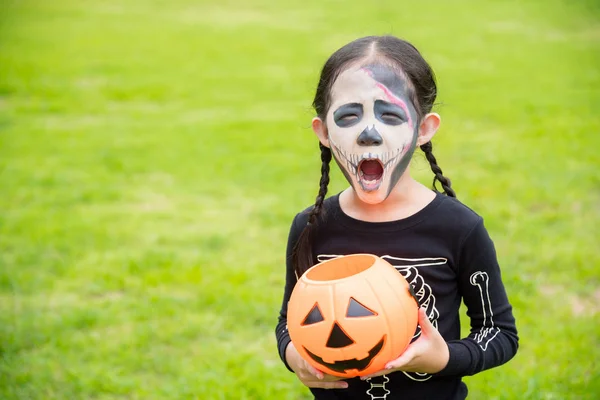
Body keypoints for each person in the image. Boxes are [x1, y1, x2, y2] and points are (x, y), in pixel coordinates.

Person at [274, 35, 519, 400]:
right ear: (323, 131)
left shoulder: (459, 229)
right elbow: (289, 322)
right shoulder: (312, 227)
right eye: (348, 115)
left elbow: (499, 332)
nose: (368, 133)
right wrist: (295, 355)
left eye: (390, 115)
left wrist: (444, 357)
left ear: (423, 129)